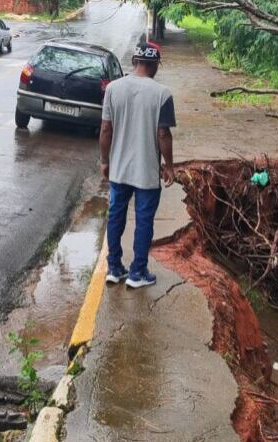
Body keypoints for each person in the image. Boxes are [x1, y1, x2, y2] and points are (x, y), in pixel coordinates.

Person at [99, 41, 176, 288]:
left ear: (135, 62)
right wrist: (169, 166)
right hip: (146, 173)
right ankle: (137, 273)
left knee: (116, 217)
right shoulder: (162, 94)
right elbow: (163, 134)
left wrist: (105, 161)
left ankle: (114, 268)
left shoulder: (113, 88)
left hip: (119, 170)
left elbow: (105, 129)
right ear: (154, 65)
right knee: (144, 222)